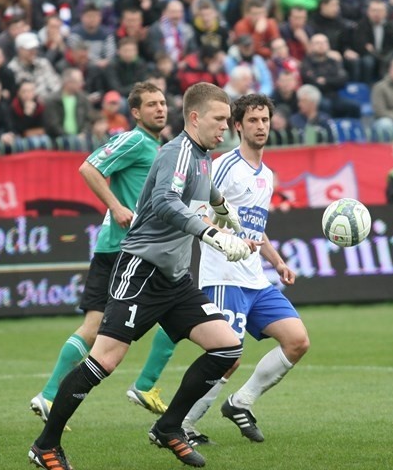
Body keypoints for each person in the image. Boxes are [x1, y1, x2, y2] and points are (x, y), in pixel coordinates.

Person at [28, 82, 253, 469]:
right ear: (195, 118)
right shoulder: (177, 151)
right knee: (105, 361)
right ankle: (46, 446)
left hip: (174, 278)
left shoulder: (201, 154)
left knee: (227, 347)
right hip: (141, 270)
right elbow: (165, 200)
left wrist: (220, 204)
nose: (227, 127)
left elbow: (201, 185)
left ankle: (168, 427)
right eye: (220, 119)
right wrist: (212, 232)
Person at [127, 93, 310, 446]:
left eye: (265, 120)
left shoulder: (267, 175)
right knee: (228, 357)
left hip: (255, 277)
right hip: (224, 275)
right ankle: (179, 425)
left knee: (297, 341)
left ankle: (241, 402)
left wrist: (277, 261)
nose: (261, 126)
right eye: (252, 121)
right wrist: (225, 237)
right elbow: (201, 213)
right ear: (237, 126)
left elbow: (253, 226)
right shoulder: (225, 165)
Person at [29, 81, 168, 430]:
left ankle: (49, 395)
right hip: (123, 248)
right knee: (177, 314)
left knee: (97, 326)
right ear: (135, 112)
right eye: (151, 104)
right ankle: (144, 387)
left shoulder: (158, 146)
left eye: (163, 102)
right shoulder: (135, 140)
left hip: (136, 248)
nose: (160, 109)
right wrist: (117, 206)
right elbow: (89, 167)